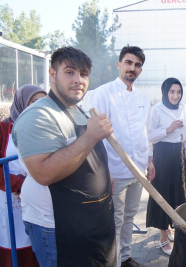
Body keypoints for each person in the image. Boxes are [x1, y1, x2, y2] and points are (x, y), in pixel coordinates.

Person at [12, 47, 116, 267]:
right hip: (58, 230)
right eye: (70, 72)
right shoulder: (39, 115)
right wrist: (90, 136)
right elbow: (43, 173)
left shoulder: (80, 111)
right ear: (52, 74)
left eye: (84, 74)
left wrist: (106, 180)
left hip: (91, 223)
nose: (78, 79)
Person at [82, 45, 155, 267]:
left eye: (137, 65)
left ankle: (125, 256)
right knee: (115, 219)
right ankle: (111, 262)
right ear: (119, 64)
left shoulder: (144, 98)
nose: (132, 68)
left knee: (130, 217)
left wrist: (150, 161)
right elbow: (95, 137)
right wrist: (103, 171)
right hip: (114, 171)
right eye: (128, 63)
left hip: (139, 170)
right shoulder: (102, 94)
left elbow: (146, 132)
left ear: (141, 70)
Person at [146, 77, 186, 255]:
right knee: (163, 193)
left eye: (179, 92)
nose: (175, 96)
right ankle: (163, 238)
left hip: (179, 154)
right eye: (172, 92)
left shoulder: (183, 108)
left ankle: (173, 227)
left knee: (179, 193)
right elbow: (150, 136)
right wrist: (169, 129)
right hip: (163, 155)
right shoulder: (157, 109)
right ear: (165, 92)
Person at [0, 85, 46, 267]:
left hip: (38, 199)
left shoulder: (45, 129)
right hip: (10, 200)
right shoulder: (3, 129)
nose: (38, 107)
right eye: (34, 102)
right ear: (21, 102)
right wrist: (22, 185)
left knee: (37, 243)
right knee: (13, 241)